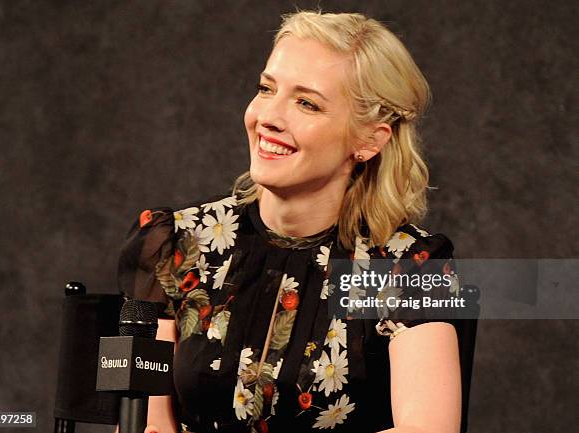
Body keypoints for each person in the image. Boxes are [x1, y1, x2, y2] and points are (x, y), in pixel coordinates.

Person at [118, 10, 461, 433]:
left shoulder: (408, 266)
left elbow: (427, 429)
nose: (269, 117)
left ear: (369, 140)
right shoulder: (176, 242)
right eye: (266, 89)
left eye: (307, 103)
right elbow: (145, 426)